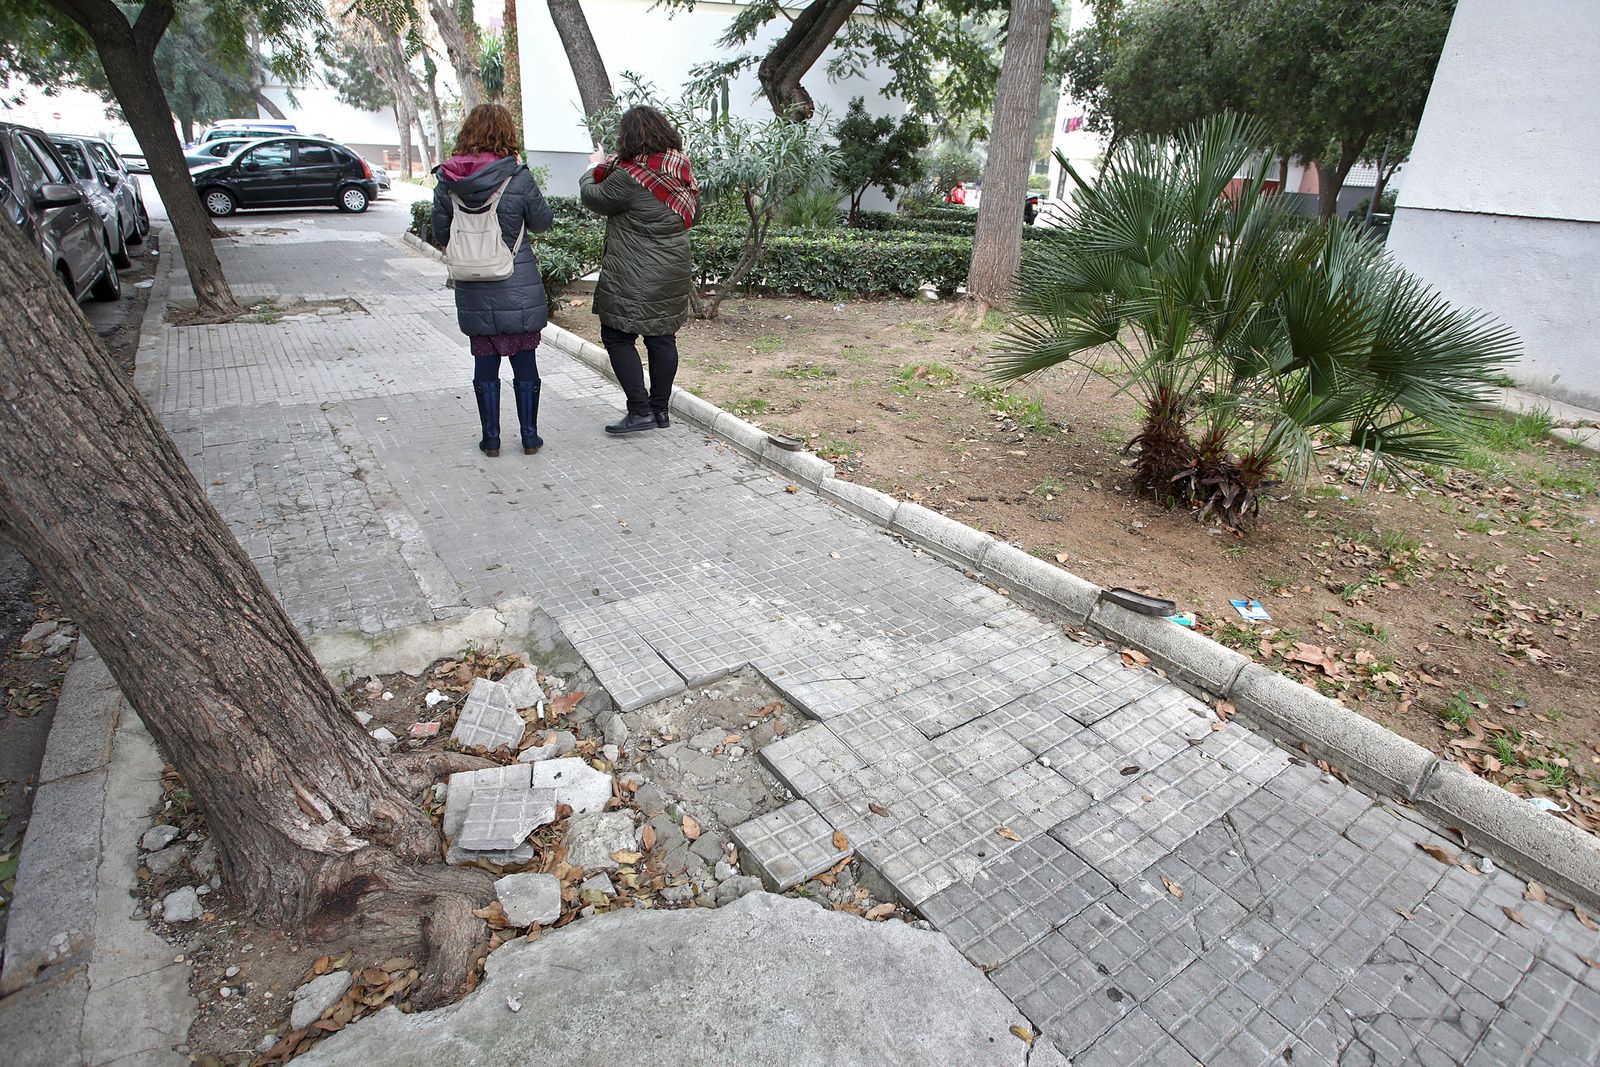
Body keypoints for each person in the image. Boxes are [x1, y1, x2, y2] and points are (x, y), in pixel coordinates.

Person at [432, 103, 555, 456]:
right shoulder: (518, 176)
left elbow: (441, 230)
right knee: (524, 360)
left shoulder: (448, 180)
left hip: (473, 284)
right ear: (506, 134)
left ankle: (491, 439)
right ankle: (530, 437)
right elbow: (543, 221)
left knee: (484, 363)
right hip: (517, 284)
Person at [580, 105, 699, 435]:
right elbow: (694, 214)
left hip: (635, 271)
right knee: (662, 338)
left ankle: (639, 410)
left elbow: (593, 197)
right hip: (673, 268)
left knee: (616, 336)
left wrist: (593, 167)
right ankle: (660, 411)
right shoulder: (681, 169)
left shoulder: (629, 177)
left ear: (629, 137)